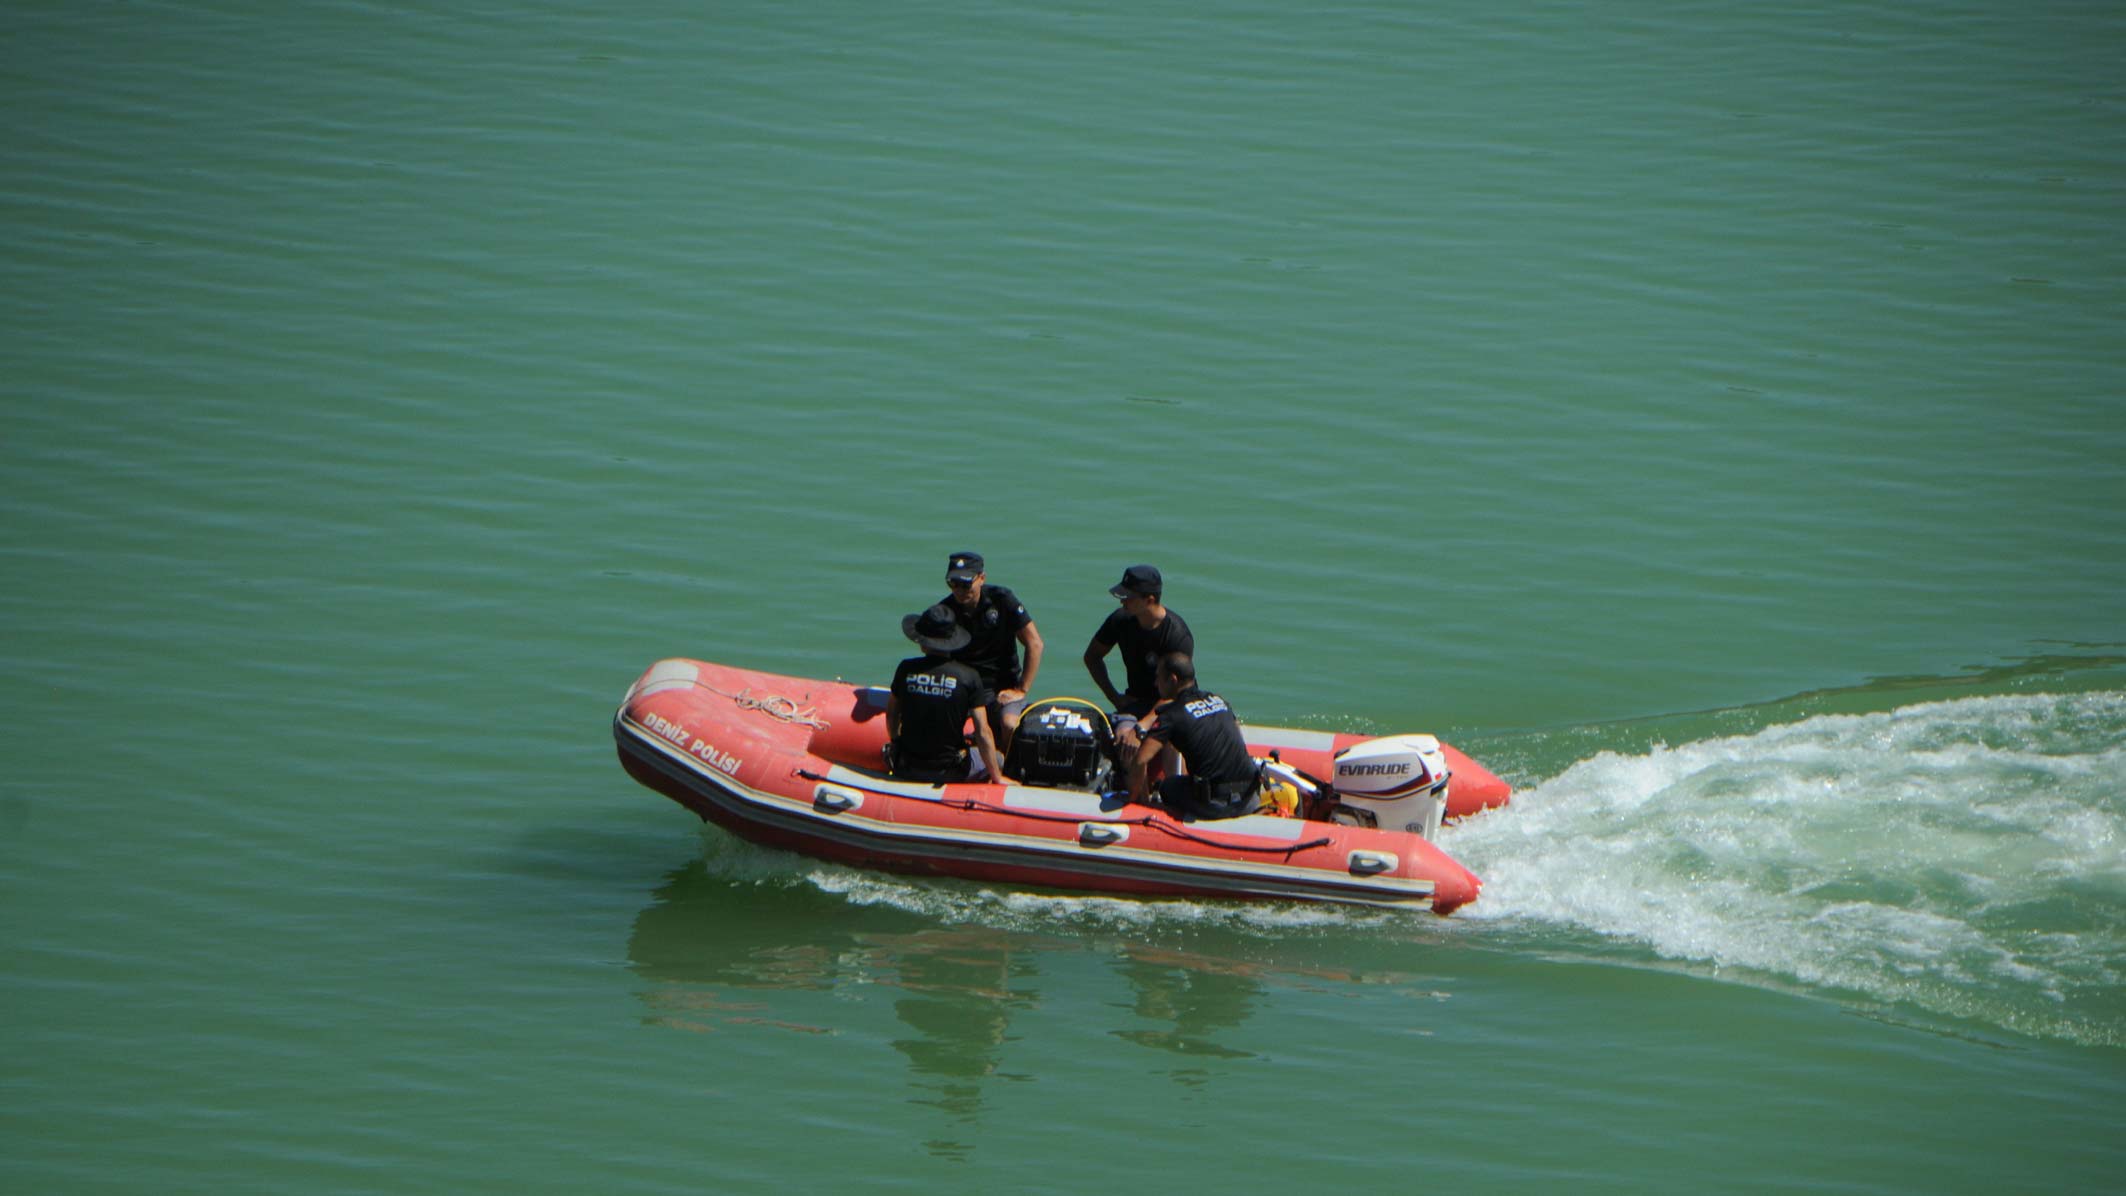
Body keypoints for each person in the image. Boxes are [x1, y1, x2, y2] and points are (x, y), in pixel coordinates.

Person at [1126, 653, 1260, 820]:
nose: (1155, 683)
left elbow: (1141, 760)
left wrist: (1135, 802)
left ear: (1172, 679)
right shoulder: (1219, 700)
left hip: (1215, 807)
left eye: (1158, 677)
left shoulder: (1171, 715)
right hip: (1250, 798)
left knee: (1167, 787)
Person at [1082, 564, 1194, 754]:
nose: (1122, 602)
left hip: (1173, 703)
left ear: (1149, 600)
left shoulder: (1177, 635)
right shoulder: (1120, 621)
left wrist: (1142, 726)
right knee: (1124, 739)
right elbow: (1092, 657)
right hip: (1135, 702)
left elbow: (1175, 693)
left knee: (1171, 742)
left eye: (1128, 597)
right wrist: (1115, 698)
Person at [888, 603, 1005, 783]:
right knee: (999, 758)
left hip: (907, 766)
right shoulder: (969, 677)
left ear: (923, 643)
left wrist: (896, 743)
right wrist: (998, 777)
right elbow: (983, 732)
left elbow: (892, 714)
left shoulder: (905, 669)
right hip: (950, 770)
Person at [938, 551, 1043, 743]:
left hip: (1002, 686)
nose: (959, 591)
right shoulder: (944, 611)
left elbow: (1034, 643)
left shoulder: (1002, 600)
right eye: (953, 584)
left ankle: (1005, 767)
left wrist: (1021, 689)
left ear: (982, 578)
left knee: (1010, 724)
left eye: (965, 584)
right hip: (962, 686)